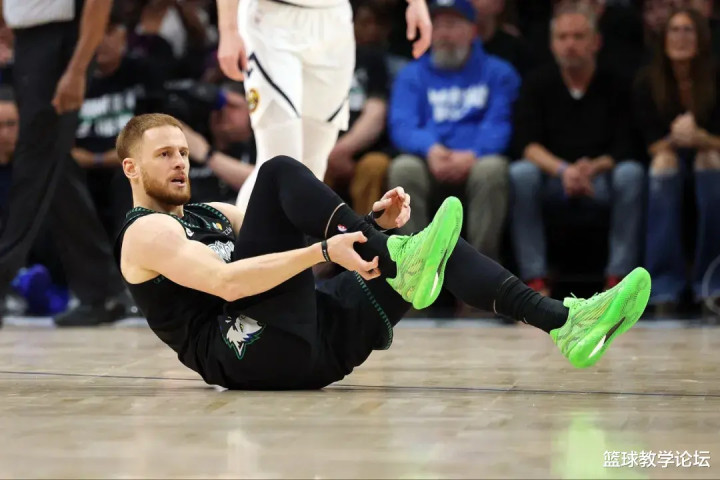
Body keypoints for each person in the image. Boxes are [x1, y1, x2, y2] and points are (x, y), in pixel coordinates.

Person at [114, 113, 651, 390]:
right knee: (275, 172)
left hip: (313, 348)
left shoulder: (212, 212)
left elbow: (284, 268)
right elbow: (229, 283)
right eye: (164, 154)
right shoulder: (145, 233)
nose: (179, 162)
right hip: (245, 351)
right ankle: (397, 254)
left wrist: (369, 227)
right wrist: (327, 249)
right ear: (131, 168)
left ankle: (565, 323)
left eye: (182, 151)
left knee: (437, 251)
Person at [213, 0, 433, 212]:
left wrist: (416, 3)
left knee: (312, 168)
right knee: (280, 161)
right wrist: (229, 28)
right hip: (270, 17)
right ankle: (242, 237)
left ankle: (286, 239)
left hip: (333, 20)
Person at [0, 0, 135, 327]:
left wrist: (76, 69)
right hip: (30, 40)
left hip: (61, 43)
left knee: (34, 163)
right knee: (55, 170)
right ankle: (102, 291)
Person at [509, 2, 644, 297]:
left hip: (601, 179)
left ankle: (618, 281)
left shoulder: (617, 84)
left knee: (631, 174)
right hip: (554, 180)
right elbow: (527, 145)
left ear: (596, 42)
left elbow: (627, 144)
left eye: (578, 36)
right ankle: (535, 281)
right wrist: (565, 171)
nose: (570, 44)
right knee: (521, 174)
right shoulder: (537, 84)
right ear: (552, 44)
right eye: (563, 37)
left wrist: (591, 169)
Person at [387, 0, 520, 263]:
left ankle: (481, 272)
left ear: (473, 31)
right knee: (403, 169)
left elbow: (501, 125)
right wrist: (430, 149)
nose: (443, 33)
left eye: (452, 25)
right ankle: (417, 266)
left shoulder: (499, 73)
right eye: (436, 25)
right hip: (430, 160)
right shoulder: (411, 75)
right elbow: (402, 125)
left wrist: (473, 153)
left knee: (492, 169)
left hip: (476, 160)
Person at [634, 7, 720, 314]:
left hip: (708, 155)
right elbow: (651, 145)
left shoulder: (716, 77)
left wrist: (700, 137)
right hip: (669, 155)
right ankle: (663, 287)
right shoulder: (647, 81)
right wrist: (676, 138)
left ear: (701, 38)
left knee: (711, 159)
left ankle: (712, 283)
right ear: (664, 38)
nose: (680, 38)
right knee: (663, 164)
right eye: (674, 30)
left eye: (688, 30)